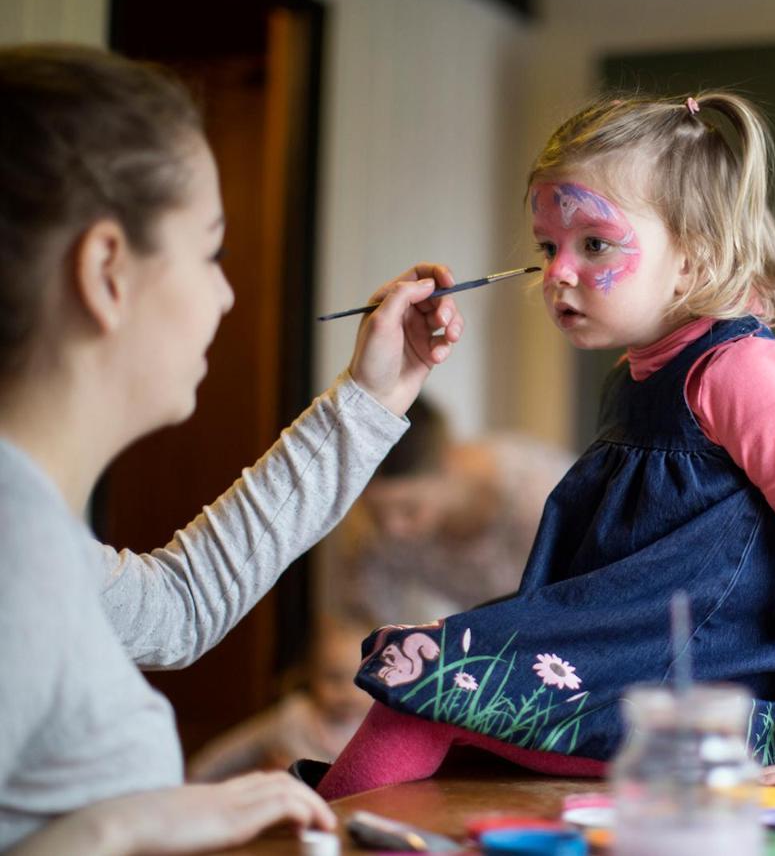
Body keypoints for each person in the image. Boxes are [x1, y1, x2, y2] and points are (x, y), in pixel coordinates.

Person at [317, 91, 775, 799]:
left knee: (427, 685)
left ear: (692, 258)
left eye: (594, 244)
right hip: (638, 675)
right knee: (434, 710)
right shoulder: (637, 375)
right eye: (548, 247)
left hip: (721, 706)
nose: (557, 273)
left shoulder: (744, 373)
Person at [0, 44, 463, 854]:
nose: (225, 292)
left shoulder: (33, 531)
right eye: (211, 250)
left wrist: (373, 399)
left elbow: (178, 605)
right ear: (108, 269)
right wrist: (129, 825)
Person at [316, 396, 574, 626]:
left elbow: (576, 606)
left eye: (409, 508)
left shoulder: (540, 497)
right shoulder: (378, 532)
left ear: (449, 461)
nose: (393, 529)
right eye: (374, 511)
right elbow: (364, 619)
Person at [188, 616, 373, 781]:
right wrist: (196, 774)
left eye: (361, 680)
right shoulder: (293, 716)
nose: (349, 693)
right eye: (333, 678)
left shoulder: (377, 724)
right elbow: (240, 746)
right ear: (311, 675)